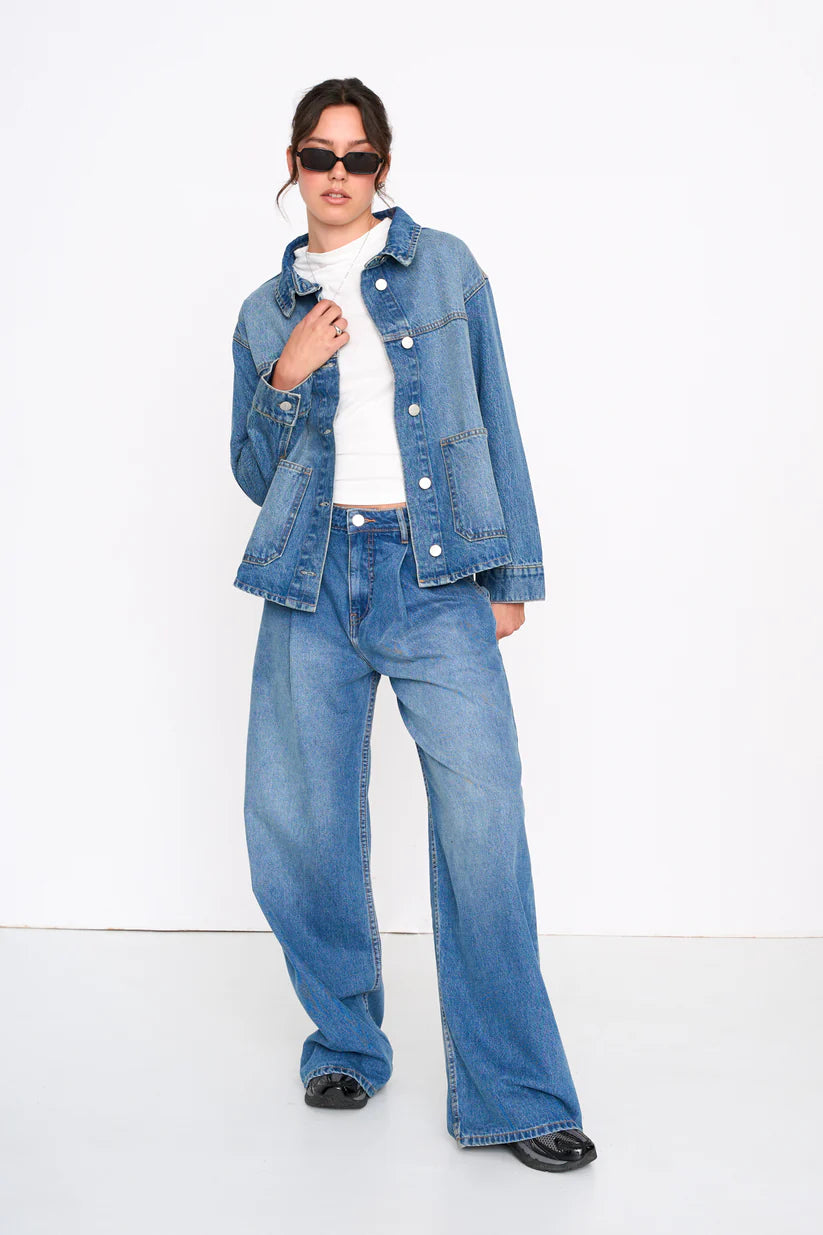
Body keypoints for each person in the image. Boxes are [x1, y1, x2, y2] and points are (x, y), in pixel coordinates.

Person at [229, 77, 597, 1173]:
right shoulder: (263, 311)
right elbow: (252, 471)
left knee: (484, 829)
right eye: (318, 155)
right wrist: (287, 376)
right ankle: (345, 1043)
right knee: (298, 830)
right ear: (293, 166)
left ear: (381, 168)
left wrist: (510, 570)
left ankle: (516, 1092)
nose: (336, 175)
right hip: (309, 578)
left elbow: (495, 412)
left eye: (356, 157)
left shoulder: (445, 268)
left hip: (434, 574)